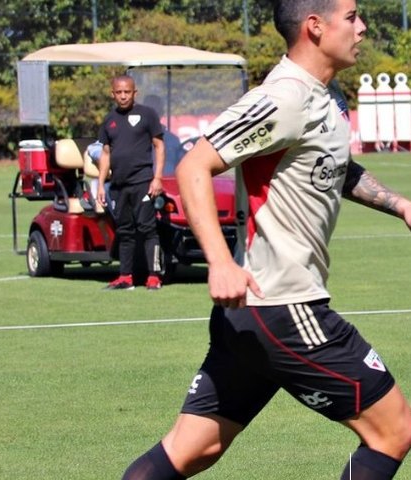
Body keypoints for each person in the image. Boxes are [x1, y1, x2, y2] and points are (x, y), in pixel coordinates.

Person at [121, 1, 411, 479]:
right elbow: (194, 165)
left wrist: (399, 203)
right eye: (353, 16)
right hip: (285, 305)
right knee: (393, 430)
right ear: (315, 27)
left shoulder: (327, 96)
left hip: (253, 315)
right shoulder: (284, 97)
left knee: (193, 449)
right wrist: (219, 261)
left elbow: (336, 167)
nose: (362, 27)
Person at [97, 75, 166, 291]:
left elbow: (159, 146)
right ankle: (125, 277)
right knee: (124, 231)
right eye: (119, 92)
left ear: (135, 93)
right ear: (113, 94)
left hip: (143, 182)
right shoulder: (109, 121)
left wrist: (157, 177)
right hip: (118, 186)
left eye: (127, 92)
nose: (123, 96)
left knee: (147, 229)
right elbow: (106, 154)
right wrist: (100, 184)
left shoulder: (147, 115)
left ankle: (153, 276)